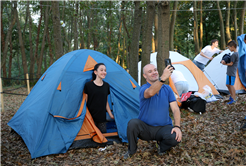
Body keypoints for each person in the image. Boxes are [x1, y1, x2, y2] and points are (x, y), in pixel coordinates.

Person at [123, 64, 182, 159]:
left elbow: (175, 109)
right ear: (144, 76)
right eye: (150, 72)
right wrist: (163, 78)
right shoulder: (143, 88)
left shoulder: (167, 89)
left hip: (163, 127)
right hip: (146, 129)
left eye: (155, 70)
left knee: (175, 136)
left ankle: (161, 147)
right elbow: (150, 92)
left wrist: (177, 126)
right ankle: (131, 151)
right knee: (132, 123)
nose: (154, 72)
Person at [84, 63, 114, 133]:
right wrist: (85, 116)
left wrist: (110, 115)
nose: (104, 72)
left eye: (105, 70)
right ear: (95, 72)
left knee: (102, 136)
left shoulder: (106, 86)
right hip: (90, 117)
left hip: (102, 117)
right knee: (92, 136)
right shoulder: (88, 85)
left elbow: (106, 101)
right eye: (101, 70)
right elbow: (85, 102)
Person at [221, 40, 239, 104]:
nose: (229, 49)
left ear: (233, 47)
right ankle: (232, 96)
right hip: (229, 72)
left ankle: (234, 98)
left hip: (232, 72)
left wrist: (224, 64)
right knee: (228, 85)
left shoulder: (235, 54)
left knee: (231, 85)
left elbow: (231, 64)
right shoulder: (233, 54)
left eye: (229, 47)